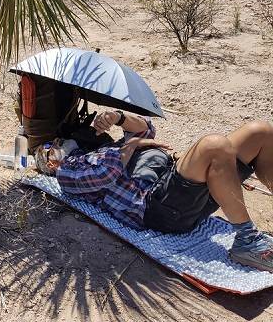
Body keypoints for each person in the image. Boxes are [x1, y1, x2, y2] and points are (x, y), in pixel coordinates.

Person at [35, 110, 273, 272]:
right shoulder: (67, 174)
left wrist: (117, 117)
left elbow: (146, 129)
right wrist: (132, 145)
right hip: (154, 208)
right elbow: (104, 174)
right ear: (50, 165)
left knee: (259, 132)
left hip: (174, 192)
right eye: (48, 151)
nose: (55, 145)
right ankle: (247, 240)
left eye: (55, 142)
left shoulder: (101, 149)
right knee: (213, 145)